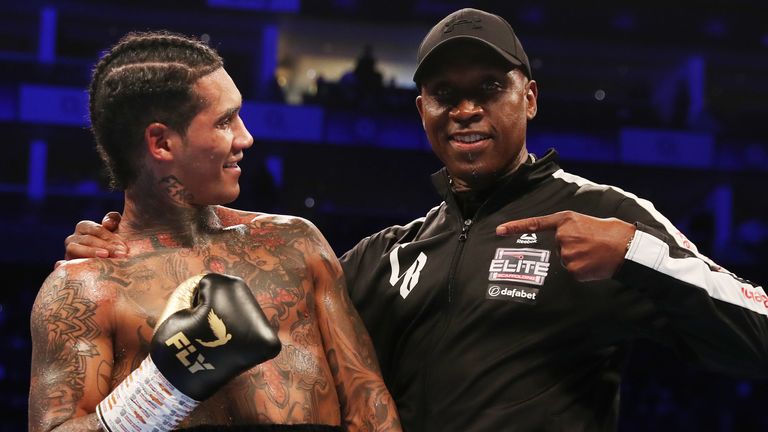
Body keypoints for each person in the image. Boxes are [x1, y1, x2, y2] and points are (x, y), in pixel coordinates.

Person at [61, 9, 768, 431]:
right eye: (443, 94)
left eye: (489, 88)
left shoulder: (602, 214)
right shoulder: (390, 254)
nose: (465, 109)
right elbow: (267, 301)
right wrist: (135, 243)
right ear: (421, 109)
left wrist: (638, 253)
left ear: (529, 98)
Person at [29, 31, 401, 432]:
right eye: (225, 121)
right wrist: (164, 384)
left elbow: (369, 404)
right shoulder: (85, 289)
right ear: (162, 143)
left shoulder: (295, 242)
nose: (246, 137)